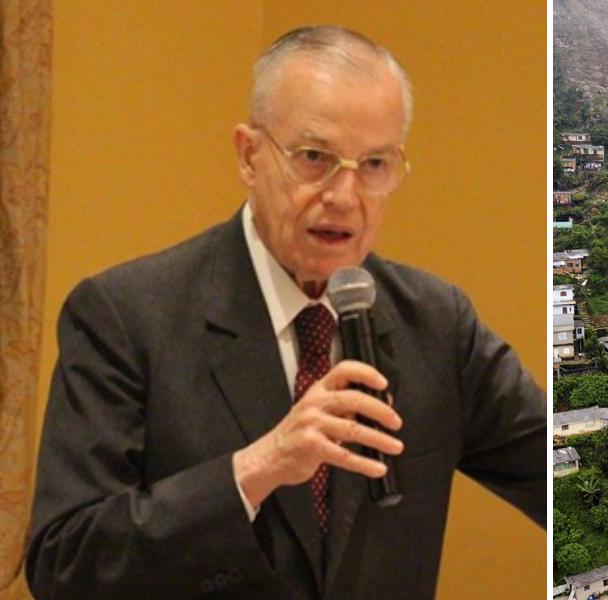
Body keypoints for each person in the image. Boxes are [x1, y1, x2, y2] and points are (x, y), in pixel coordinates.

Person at [25, 26, 545, 599]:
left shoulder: (437, 323)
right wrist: (259, 467)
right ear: (249, 155)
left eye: (374, 164)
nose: (345, 197)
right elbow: (65, 563)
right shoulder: (125, 317)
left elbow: (556, 469)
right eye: (315, 157)